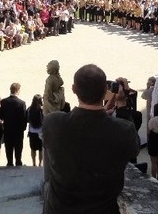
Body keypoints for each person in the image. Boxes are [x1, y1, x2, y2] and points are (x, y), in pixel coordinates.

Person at [42, 64, 139, 213]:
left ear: (74, 89)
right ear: (104, 91)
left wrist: (100, 117)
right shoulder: (122, 130)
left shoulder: (52, 122)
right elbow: (134, 149)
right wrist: (122, 103)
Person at [0, 82, 27, 167]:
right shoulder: (21, 103)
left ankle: (10, 162)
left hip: (8, 128)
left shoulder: (3, 101)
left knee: (8, 147)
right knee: (18, 147)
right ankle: (18, 161)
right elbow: (24, 117)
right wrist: (23, 128)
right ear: (17, 90)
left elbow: (1, 115)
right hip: (18, 130)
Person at [26, 94, 44, 167]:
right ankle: (40, 163)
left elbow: (27, 119)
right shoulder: (43, 109)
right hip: (41, 132)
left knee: (33, 149)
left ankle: (34, 163)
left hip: (32, 131)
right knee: (40, 149)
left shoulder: (30, 109)